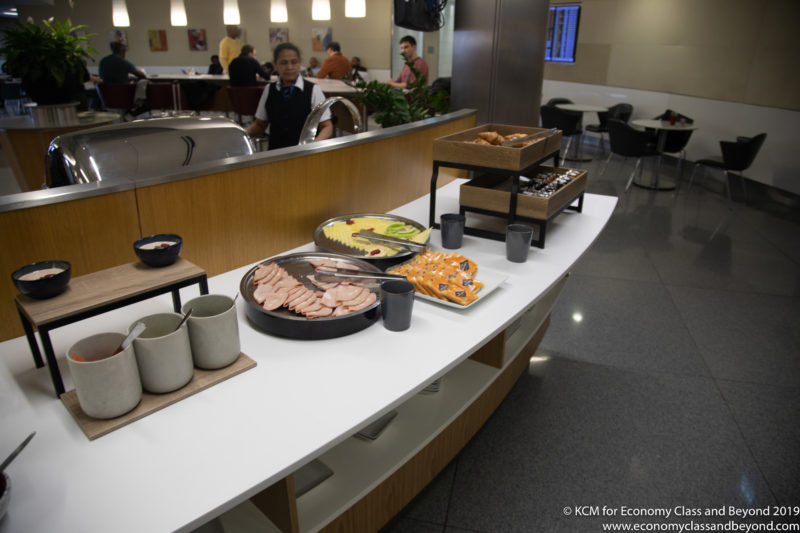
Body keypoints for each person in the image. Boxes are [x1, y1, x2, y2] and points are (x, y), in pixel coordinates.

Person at [246, 42, 332, 150]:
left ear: (299, 63)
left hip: (305, 154)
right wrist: (241, 135)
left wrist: (312, 146)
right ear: (275, 64)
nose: (289, 67)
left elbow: (327, 126)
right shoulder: (269, 90)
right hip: (276, 152)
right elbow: (260, 125)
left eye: (294, 62)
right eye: (284, 63)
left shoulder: (313, 90)